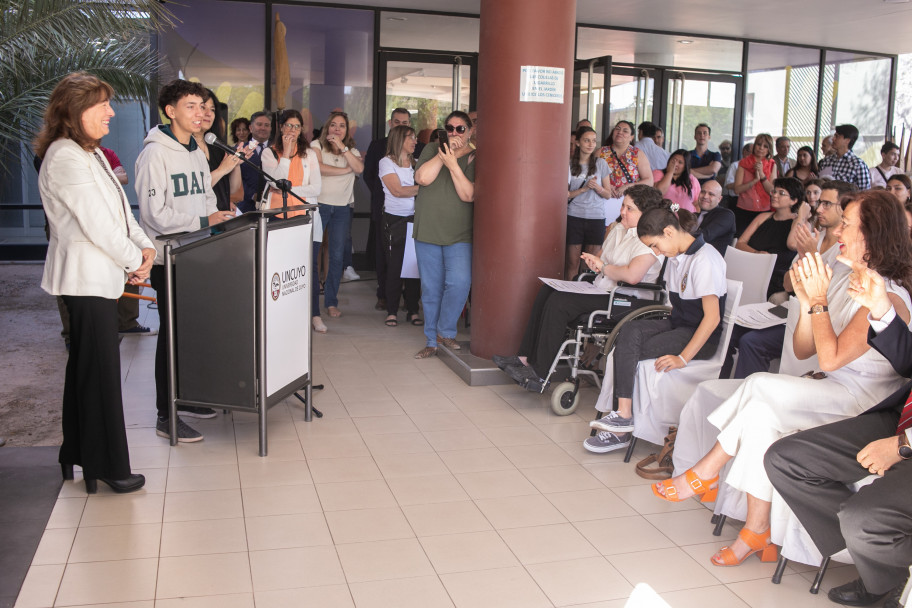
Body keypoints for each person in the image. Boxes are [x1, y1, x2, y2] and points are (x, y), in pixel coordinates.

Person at [654, 190, 912, 569]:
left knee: (759, 386)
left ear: (872, 235)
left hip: (863, 403)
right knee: (760, 413)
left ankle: (707, 471)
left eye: (847, 224)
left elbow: (832, 357)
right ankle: (755, 531)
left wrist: (819, 301)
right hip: (832, 388)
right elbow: (805, 348)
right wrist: (809, 301)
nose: (837, 230)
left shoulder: (889, 294)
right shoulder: (844, 276)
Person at [765, 260, 912, 608]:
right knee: (785, 460)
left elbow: (829, 358)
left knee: (862, 520)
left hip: (904, 437)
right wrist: (880, 310)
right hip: (900, 416)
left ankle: (882, 578)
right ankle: (882, 569)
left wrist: (903, 446)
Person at [36, 72, 155, 493]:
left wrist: (146, 248)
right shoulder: (64, 155)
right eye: (102, 104)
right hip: (85, 280)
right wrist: (133, 262)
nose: (110, 111)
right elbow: (99, 226)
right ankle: (106, 467)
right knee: (100, 375)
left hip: (102, 277)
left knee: (85, 371)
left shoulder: (93, 154)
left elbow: (122, 212)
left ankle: (76, 454)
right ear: (74, 110)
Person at [135, 79, 235, 443]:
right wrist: (203, 222)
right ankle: (166, 414)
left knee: (193, 333)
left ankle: (188, 397)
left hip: (198, 254)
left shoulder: (196, 149)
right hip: (170, 259)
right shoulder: (154, 153)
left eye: (202, 105)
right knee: (172, 337)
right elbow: (154, 214)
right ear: (170, 111)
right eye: (190, 106)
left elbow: (206, 196)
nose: (199, 113)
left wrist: (215, 223)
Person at [585, 203, 727, 453]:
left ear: (670, 233)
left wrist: (683, 358)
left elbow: (712, 319)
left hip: (700, 336)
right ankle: (623, 416)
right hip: (678, 324)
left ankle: (621, 427)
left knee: (634, 349)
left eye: (654, 245)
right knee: (627, 330)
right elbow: (675, 308)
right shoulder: (676, 256)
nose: (655, 251)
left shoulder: (706, 259)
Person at [493, 185, 665, 390]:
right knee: (548, 290)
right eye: (623, 206)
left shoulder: (649, 240)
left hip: (624, 298)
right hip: (603, 288)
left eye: (629, 209)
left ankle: (540, 374)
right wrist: (595, 262)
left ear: (645, 214)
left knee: (561, 302)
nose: (622, 212)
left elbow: (632, 276)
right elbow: (602, 258)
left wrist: (604, 267)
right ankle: (524, 358)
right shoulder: (619, 229)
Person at [412, 111, 476, 359]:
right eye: (450, 128)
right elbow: (422, 178)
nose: (454, 133)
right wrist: (445, 155)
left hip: (459, 233)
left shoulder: (476, 156)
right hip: (427, 229)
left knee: (460, 283)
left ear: (470, 131)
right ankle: (432, 340)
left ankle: (444, 331)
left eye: (460, 129)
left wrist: (453, 165)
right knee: (431, 288)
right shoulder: (432, 149)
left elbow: (468, 195)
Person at [260, 109, 325, 333]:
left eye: (297, 127)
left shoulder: (310, 154)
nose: (292, 131)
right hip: (278, 218)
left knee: (310, 268)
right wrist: (286, 155)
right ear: (280, 127)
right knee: (282, 270)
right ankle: (282, 315)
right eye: (288, 126)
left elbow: (316, 188)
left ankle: (314, 314)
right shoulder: (269, 153)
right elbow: (277, 183)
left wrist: (291, 190)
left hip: (306, 218)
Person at [311, 111, 364, 318]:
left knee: (336, 256)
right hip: (320, 205)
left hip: (342, 208)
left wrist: (344, 149)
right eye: (333, 125)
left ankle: (331, 302)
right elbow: (319, 169)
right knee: (313, 252)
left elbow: (359, 167)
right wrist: (345, 170)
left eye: (342, 126)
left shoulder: (352, 150)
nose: (337, 129)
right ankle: (312, 300)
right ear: (327, 127)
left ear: (346, 130)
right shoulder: (317, 145)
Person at [364, 108, 416, 311]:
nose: (401, 125)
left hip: (412, 215)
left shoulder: (415, 153)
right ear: (390, 123)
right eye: (397, 122)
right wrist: (383, 192)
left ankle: (409, 301)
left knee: (410, 261)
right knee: (386, 257)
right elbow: (369, 176)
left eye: (405, 122)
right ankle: (384, 296)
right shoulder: (379, 147)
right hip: (386, 209)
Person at [379, 125, 423, 328]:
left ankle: (413, 309)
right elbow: (397, 191)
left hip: (416, 219)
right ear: (399, 139)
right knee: (395, 267)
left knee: (414, 268)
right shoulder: (386, 162)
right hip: (394, 220)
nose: (415, 141)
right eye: (410, 138)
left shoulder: (416, 163)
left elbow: (409, 190)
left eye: (415, 138)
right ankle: (392, 311)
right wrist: (425, 187)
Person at [735, 177, 801, 298]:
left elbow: (791, 244)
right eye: (774, 191)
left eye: (781, 193)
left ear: (794, 200)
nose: (775, 195)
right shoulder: (763, 217)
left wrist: (801, 216)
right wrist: (756, 253)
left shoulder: (798, 222)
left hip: (776, 277)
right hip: (751, 268)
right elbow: (740, 243)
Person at [566, 126, 613, 280]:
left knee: (590, 265)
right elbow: (564, 195)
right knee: (572, 263)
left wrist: (597, 188)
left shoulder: (601, 163)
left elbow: (608, 194)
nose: (591, 144)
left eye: (593, 141)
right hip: (574, 216)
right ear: (577, 142)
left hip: (596, 217)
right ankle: (569, 294)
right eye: (586, 140)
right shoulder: (569, 164)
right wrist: (584, 189)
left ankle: (584, 296)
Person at [194, 89, 247, 212]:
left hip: (222, 221)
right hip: (200, 222)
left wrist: (236, 164)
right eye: (203, 108)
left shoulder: (216, 146)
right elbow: (193, 192)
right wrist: (222, 169)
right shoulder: (186, 147)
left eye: (212, 110)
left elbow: (232, 190)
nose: (209, 114)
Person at [597, 120, 654, 225]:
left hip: (630, 204)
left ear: (631, 137)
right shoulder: (600, 152)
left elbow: (649, 180)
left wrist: (628, 186)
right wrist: (607, 186)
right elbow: (590, 177)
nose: (620, 132)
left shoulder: (637, 154)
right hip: (603, 203)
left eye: (625, 131)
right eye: (617, 129)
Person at [733, 133, 777, 236]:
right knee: (741, 240)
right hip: (744, 209)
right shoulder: (743, 163)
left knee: (760, 240)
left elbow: (772, 191)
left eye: (765, 146)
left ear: (769, 149)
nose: (761, 148)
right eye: (758, 144)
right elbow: (737, 189)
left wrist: (761, 176)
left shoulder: (772, 164)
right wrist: (754, 181)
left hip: (764, 209)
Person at [818, 124, 872, 190]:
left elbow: (864, 192)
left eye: (837, 136)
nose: (833, 139)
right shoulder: (827, 161)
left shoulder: (857, 164)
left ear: (847, 141)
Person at [238, 111, 272, 213]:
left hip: (272, 206)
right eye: (259, 124)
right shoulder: (240, 150)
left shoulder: (278, 150)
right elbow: (236, 179)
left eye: (267, 125)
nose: (263, 128)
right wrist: (253, 195)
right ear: (251, 128)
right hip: (246, 207)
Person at [694, 180, 735, 255]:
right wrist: (671, 206)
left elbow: (705, 236)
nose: (705, 196)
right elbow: (678, 212)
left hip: (710, 262)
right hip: (688, 258)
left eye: (711, 194)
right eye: (703, 192)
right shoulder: (695, 215)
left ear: (719, 199)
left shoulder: (726, 215)